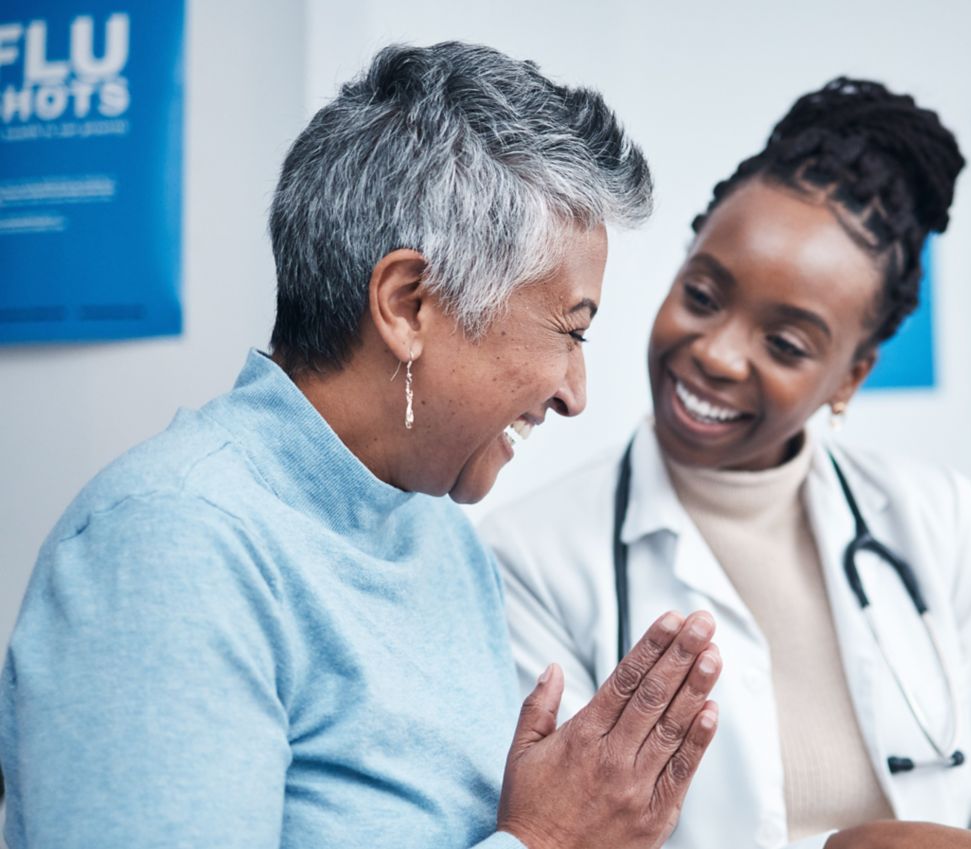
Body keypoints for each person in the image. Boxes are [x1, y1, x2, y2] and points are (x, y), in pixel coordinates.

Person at [0, 43, 724, 849]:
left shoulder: (439, 538)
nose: (574, 391)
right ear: (408, 305)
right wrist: (546, 841)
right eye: (569, 330)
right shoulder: (169, 545)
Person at [486, 78, 971, 849]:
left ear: (849, 376)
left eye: (785, 344)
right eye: (703, 295)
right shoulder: (531, 557)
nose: (715, 352)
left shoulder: (938, 521)